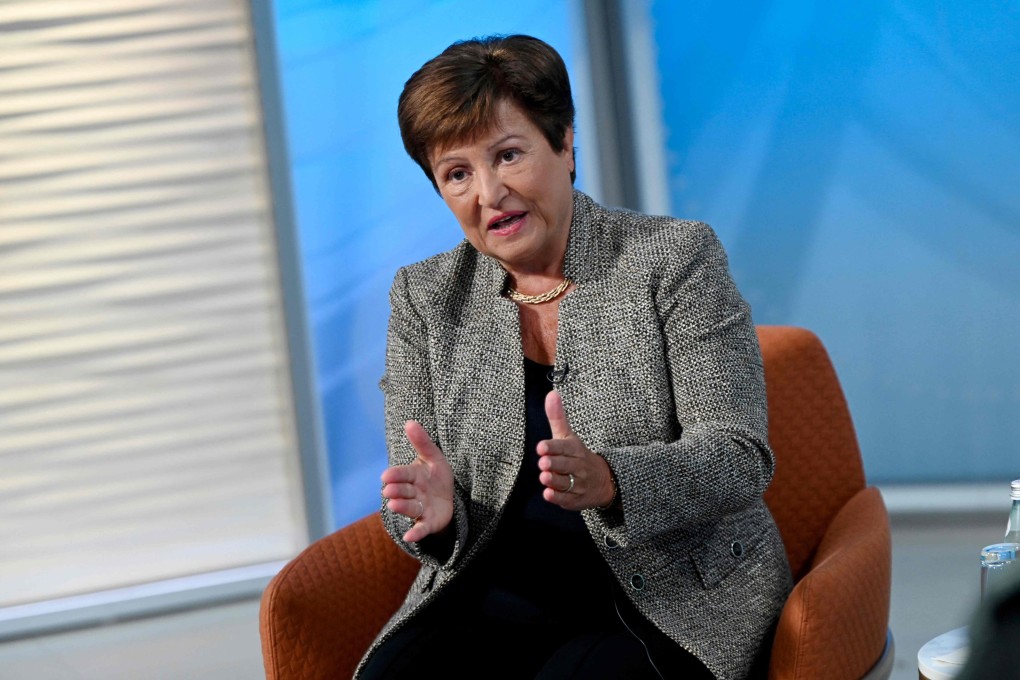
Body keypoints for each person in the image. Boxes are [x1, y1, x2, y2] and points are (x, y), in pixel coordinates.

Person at [358, 34, 792, 680]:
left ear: (564, 144)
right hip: (496, 592)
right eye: (457, 174)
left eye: (509, 155)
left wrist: (614, 479)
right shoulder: (423, 298)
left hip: (665, 592)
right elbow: (411, 497)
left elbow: (738, 456)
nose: (489, 193)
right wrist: (434, 518)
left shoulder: (673, 261)